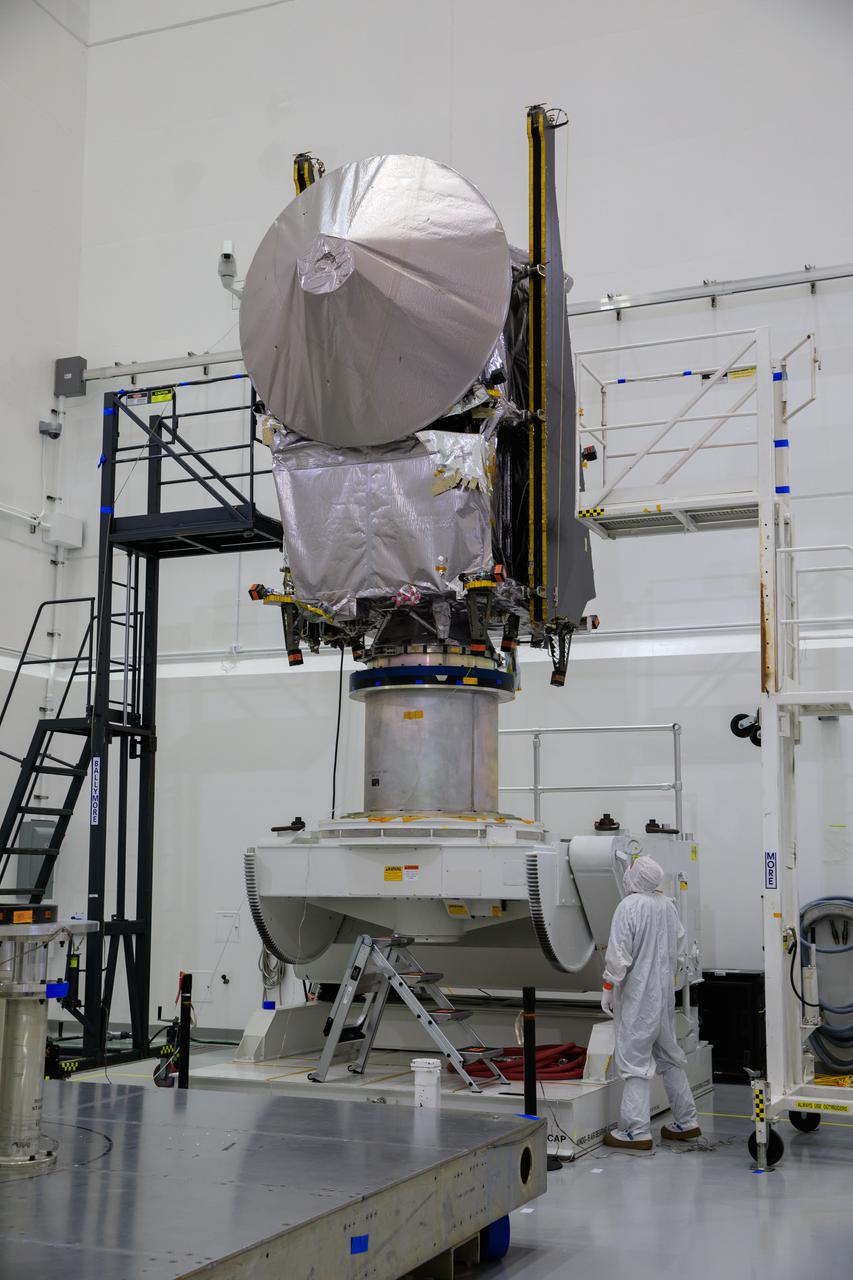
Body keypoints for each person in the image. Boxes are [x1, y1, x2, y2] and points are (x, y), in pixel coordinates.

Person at [599, 854, 701, 1153]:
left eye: (631, 868)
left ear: (637, 876)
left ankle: (636, 1131)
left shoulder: (629, 906)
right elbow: (680, 945)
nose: (627, 872)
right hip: (663, 995)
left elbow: (619, 954)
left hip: (637, 996)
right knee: (669, 1056)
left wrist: (608, 985)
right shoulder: (667, 905)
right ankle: (686, 1121)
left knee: (633, 1062)